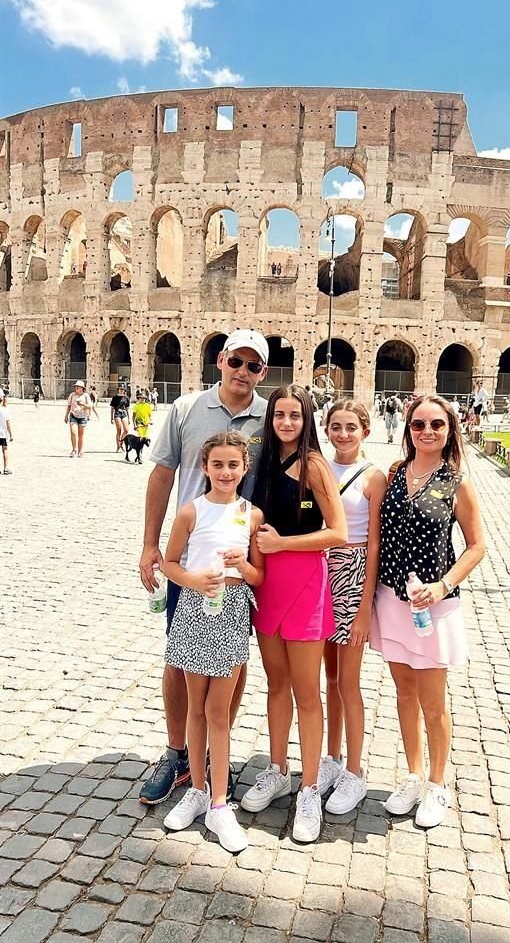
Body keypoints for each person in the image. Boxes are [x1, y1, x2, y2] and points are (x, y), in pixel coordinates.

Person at [139, 329, 269, 806]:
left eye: (253, 366)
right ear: (220, 360)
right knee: (179, 659)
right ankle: (177, 752)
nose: (243, 371)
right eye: (236, 361)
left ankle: (216, 749)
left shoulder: (269, 415)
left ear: (262, 372)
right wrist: (150, 545)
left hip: (238, 568)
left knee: (234, 661)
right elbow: (161, 475)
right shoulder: (186, 408)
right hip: (191, 564)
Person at [371, 395, 485, 828]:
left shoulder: (457, 483)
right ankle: (414, 775)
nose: (427, 431)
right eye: (419, 424)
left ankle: (438, 784)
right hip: (392, 598)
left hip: (432, 605)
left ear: (450, 430)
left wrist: (443, 585)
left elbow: (477, 546)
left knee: (433, 703)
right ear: (408, 429)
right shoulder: (395, 473)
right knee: (403, 693)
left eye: (437, 424)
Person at [240, 385, 347, 843]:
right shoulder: (260, 460)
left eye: (295, 416)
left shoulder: (315, 465)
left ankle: (309, 788)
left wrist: (283, 543)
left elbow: (338, 532)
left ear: (306, 421)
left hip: (303, 581)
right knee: (276, 684)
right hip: (267, 581)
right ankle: (278, 768)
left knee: (307, 691)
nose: (286, 422)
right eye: (279, 414)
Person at [161, 432, 265, 852]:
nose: (225, 472)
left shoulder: (251, 515)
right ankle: (198, 790)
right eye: (217, 465)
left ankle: (220, 803)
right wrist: (192, 580)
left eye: (233, 465)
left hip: (232, 610)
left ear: (244, 468)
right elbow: (169, 563)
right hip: (195, 608)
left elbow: (259, 575)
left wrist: (243, 565)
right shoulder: (190, 511)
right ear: (205, 468)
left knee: (218, 710)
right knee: (196, 706)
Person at [320, 400, 387, 813]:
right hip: (320, 568)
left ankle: (356, 769)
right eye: (336, 426)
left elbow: (375, 542)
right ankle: (332, 755)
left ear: (365, 431)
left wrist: (364, 608)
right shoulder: (320, 467)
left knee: (348, 680)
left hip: (354, 569)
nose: (343, 434)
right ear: (326, 429)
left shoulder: (373, 476)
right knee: (329, 675)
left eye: (351, 427)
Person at [64, 380, 92, 458]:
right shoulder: (72, 395)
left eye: (78, 387)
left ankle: (80, 451)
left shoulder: (86, 396)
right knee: (73, 432)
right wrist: (66, 416)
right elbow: (69, 406)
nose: (76, 388)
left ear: (82, 388)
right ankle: (74, 449)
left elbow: (90, 406)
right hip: (73, 415)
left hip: (83, 416)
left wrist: (82, 404)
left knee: (81, 435)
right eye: (76, 387)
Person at [110, 385, 130, 451]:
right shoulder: (115, 397)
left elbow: (127, 409)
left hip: (124, 413)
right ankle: (118, 445)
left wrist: (129, 418)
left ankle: (121, 442)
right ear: (118, 390)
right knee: (119, 430)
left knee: (126, 430)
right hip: (117, 413)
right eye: (120, 389)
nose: (121, 390)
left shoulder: (126, 398)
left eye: (122, 389)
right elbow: (112, 408)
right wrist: (111, 418)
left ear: (124, 390)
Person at [0, 395, 13, 474]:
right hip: (3, 434)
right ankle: (5, 468)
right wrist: (11, 434)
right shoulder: (5, 410)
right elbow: (8, 424)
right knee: (5, 450)